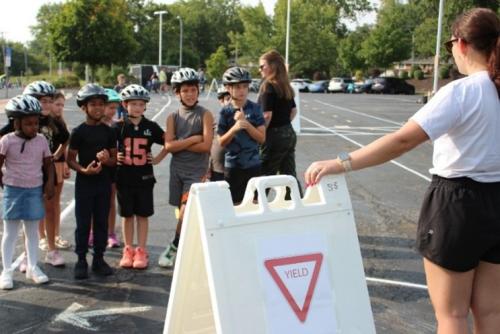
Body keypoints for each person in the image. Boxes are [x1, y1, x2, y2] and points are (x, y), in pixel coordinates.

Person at [305, 8, 500, 334]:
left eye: (451, 42)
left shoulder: (461, 91)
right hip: (495, 201)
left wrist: (341, 162)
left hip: (458, 205)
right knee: (491, 314)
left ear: (462, 44)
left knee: (451, 315)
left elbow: (401, 141)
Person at [158, 67, 213, 268]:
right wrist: (193, 139)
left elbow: (206, 146)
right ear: (177, 93)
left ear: (198, 91)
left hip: (196, 172)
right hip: (177, 171)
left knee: (184, 213)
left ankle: (174, 247)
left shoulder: (205, 115)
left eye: (193, 90)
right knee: (181, 210)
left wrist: (180, 143)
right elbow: (169, 146)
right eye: (185, 91)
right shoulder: (173, 117)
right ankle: (185, 222)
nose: (189, 94)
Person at [0, 95, 55, 289]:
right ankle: (6, 271)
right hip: (13, 191)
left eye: (36, 123)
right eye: (29, 123)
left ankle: (32, 267)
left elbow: (48, 164)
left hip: (34, 190)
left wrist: (50, 183)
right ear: (16, 123)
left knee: (32, 231)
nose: (34, 127)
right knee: (10, 232)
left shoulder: (41, 140)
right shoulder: (7, 140)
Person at [115, 84, 168, 269]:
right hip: (124, 178)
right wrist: (115, 157)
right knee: (127, 216)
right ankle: (128, 249)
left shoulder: (150, 127)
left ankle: (141, 250)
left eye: (140, 104)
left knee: (143, 215)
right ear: (124, 104)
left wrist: (158, 158)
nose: (137, 107)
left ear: (145, 106)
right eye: (133, 104)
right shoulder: (119, 127)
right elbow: (106, 147)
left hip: (144, 179)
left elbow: (168, 142)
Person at [67, 83, 117, 280]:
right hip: (84, 184)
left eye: (101, 104)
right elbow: (70, 159)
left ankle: (99, 258)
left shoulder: (109, 132)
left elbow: (114, 160)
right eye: (93, 104)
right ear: (84, 107)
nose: (98, 108)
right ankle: (81, 259)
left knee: (101, 222)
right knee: (83, 222)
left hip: (103, 184)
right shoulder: (78, 132)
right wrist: (83, 170)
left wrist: (106, 160)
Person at [218, 67, 266, 204]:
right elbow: (221, 142)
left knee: (255, 204)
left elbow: (262, 138)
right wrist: (234, 129)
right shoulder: (225, 112)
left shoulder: (255, 108)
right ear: (228, 88)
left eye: (245, 86)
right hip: (233, 167)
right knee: (235, 205)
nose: (242, 90)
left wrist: (246, 124)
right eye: (237, 87)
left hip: (253, 165)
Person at [258, 50, 301, 199]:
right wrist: (284, 123)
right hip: (288, 133)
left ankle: (256, 203)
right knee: (289, 173)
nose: (260, 69)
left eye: (262, 66)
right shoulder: (284, 85)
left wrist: (260, 134)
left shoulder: (268, 86)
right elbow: (293, 111)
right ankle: (296, 202)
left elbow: (267, 115)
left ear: (272, 66)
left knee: (264, 173)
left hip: (273, 136)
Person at [49, 92, 71, 252]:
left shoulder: (61, 122)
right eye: (57, 104)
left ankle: (56, 234)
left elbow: (65, 144)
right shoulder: (43, 123)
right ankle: (43, 236)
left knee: (55, 202)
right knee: (45, 203)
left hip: (59, 163)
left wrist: (65, 164)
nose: (60, 108)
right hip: (45, 165)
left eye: (62, 105)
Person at [102, 88, 122, 248]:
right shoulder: (92, 126)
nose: (113, 111)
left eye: (115, 108)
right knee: (94, 202)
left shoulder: (116, 126)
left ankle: (110, 233)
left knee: (110, 201)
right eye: (110, 107)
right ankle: (93, 232)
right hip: (96, 168)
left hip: (112, 168)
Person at [208, 86, 231, 181]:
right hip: (217, 168)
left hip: (237, 168)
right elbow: (209, 143)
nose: (230, 102)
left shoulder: (244, 118)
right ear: (221, 101)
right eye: (228, 99)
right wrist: (207, 165)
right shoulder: (215, 120)